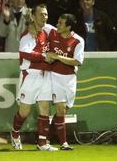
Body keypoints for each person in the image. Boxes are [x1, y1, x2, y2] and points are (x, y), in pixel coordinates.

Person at [10, 3, 58, 151]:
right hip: (30, 75)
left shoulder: (49, 30)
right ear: (33, 16)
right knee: (25, 111)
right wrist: (44, 56)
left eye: (46, 14)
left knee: (45, 107)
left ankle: (42, 143)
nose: (44, 17)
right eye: (41, 14)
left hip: (45, 75)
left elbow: (64, 35)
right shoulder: (27, 34)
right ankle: (15, 133)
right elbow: (24, 53)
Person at [44, 13, 84, 150]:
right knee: (60, 109)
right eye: (58, 22)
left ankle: (45, 139)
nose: (57, 25)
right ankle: (63, 143)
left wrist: (58, 56)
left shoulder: (78, 40)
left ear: (69, 26)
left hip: (70, 78)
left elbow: (77, 61)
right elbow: (38, 24)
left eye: (61, 23)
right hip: (55, 76)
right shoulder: (52, 32)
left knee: (64, 110)